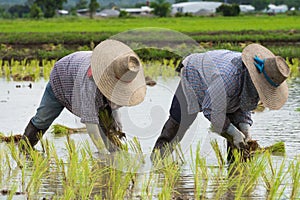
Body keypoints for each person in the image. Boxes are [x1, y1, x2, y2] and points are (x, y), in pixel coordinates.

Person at [151, 43, 290, 159]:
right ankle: (156, 161)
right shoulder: (227, 78)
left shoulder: (252, 83)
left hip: (226, 84)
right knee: (177, 126)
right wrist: (233, 133)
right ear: (255, 79)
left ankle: (236, 178)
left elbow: (246, 104)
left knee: (240, 138)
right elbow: (210, 110)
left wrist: (245, 131)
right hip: (195, 76)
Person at [20, 39, 147, 152]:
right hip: (62, 77)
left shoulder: (123, 72)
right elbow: (90, 122)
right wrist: (102, 153)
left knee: (109, 129)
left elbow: (114, 107)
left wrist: (117, 125)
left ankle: (115, 154)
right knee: (43, 119)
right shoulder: (91, 82)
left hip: (79, 72)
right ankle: (24, 148)